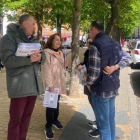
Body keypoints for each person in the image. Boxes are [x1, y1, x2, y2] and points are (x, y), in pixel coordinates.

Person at [0, 14, 46, 140]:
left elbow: (43, 56)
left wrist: (40, 58)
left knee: (26, 119)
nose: (34, 26)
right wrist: (29, 59)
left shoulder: (34, 40)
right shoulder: (8, 38)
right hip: (19, 86)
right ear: (25, 24)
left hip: (33, 85)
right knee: (16, 120)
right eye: (33, 23)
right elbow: (7, 60)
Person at [86, 21, 132, 140]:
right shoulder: (115, 43)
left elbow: (94, 71)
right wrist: (115, 67)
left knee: (103, 125)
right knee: (111, 120)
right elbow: (128, 59)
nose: (89, 33)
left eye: (90, 30)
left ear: (95, 29)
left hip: (101, 89)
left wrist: (88, 84)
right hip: (113, 87)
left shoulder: (95, 45)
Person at [41, 33, 68, 139]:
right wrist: (49, 85)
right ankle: (48, 126)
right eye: (56, 40)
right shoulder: (46, 53)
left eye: (60, 40)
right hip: (52, 83)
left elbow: (61, 68)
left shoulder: (60, 52)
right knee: (50, 106)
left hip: (59, 82)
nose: (58, 42)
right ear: (51, 41)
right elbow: (46, 69)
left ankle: (55, 120)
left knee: (56, 103)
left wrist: (65, 65)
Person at [77, 37, 97, 128]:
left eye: (90, 42)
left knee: (96, 103)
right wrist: (80, 65)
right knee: (91, 101)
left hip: (93, 82)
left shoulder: (96, 53)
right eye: (87, 42)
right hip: (87, 80)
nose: (88, 44)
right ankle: (98, 121)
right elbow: (85, 63)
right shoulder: (87, 52)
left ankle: (99, 125)